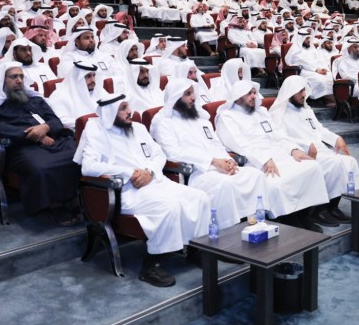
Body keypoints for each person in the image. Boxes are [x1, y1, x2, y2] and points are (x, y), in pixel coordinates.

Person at [73, 90, 210, 288]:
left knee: (200, 197)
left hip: (155, 182)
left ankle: (195, 250)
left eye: (128, 106)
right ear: (110, 113)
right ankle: (152, 264)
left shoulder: (138, 128)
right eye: (123, 108)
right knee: (169, 206)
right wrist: (129, 172)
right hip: (127, 191)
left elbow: (159, 155)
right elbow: (88, 167)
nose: (130, 111)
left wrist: (150, 172)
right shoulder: (96, 132)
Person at [214, 81, 331, 232]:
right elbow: (240, 145)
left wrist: (293, 150)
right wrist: (264, 160)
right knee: (278, 182)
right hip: (256, 161)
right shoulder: (227, 117)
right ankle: (288, 219)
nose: (253, 96)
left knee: (312, 166)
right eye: (249, 93)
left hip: (279, 154)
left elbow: (278, 135)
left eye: (254, 93)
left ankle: (303, 216)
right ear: (237, 96)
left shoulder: (261, 112)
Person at [0, 62, 82, 226]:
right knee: (42, 168)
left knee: (78, 156)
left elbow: (56, 121)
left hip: (53, 141)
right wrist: (34, 135)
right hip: (19, 147)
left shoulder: (34, 99)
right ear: (1, 80)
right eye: (14, 77)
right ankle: (54, 204)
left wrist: (45, 127)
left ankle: (74, 198)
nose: (19, 81)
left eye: (21, 76)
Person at [150, 78, 267, 227]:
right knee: (226, 184)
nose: (194, 97)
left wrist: (228, 161)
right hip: (198, 173)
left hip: (221, 167)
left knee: (256, 175)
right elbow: (173, 153)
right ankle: (228, 230)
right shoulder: (165, 123)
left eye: (193, 93)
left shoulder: (202, 121)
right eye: (187, 94)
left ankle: (256, 223)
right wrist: (212, 161)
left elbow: (217, 145)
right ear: (175, 97)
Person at [269, 76, 359, 226]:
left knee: (350, 162)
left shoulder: (306, 109)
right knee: (335, 163)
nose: (304, 94)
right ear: (290, 92)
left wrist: (336, 138)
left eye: (304, 90)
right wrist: (305, 147)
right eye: (300, 91)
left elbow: (319, 129)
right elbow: (280, 140)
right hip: (301, 154)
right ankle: (318, 210)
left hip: (320, 150)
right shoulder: (279, 113)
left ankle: (332, 206)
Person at [47, 61, 99, 129]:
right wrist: (91, 123)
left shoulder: (98, 91)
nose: (93, 80)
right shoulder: (59, 96)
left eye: (94, 75)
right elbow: (61, 121)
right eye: (88, 76)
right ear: (77, 78)